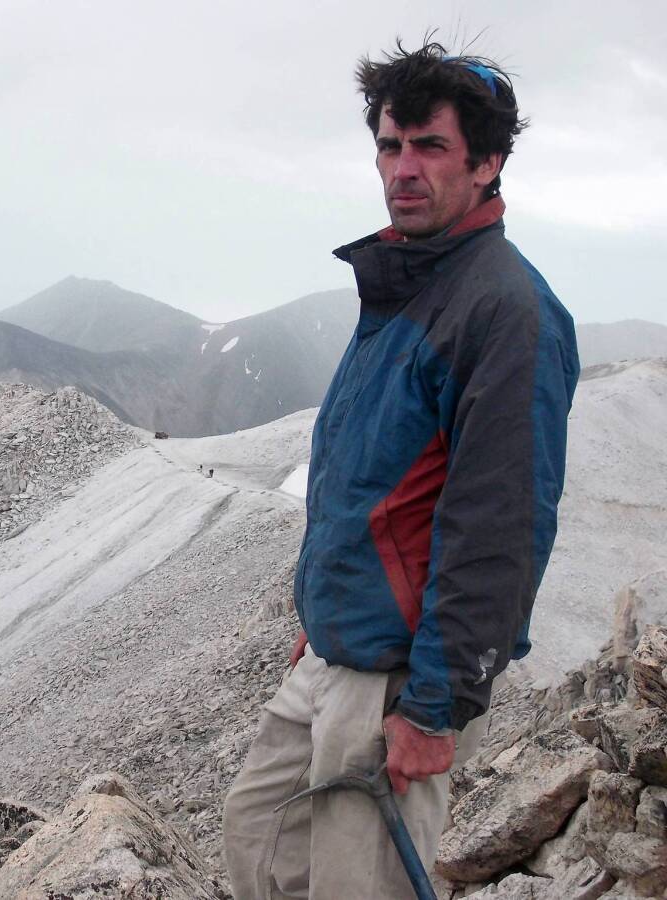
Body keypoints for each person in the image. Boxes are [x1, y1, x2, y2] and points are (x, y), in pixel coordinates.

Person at [222, 40, 580, 899]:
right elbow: (372, 478)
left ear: (489, 162)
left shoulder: (505, 311)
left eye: (430, 146)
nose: (403, 168)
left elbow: (498, 527)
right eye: (391, 145)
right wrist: (326, 606)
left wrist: (434, 706)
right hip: (336, 654)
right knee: (255, 842)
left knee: (357, 884)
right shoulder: (408, 284)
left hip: (396, 684)